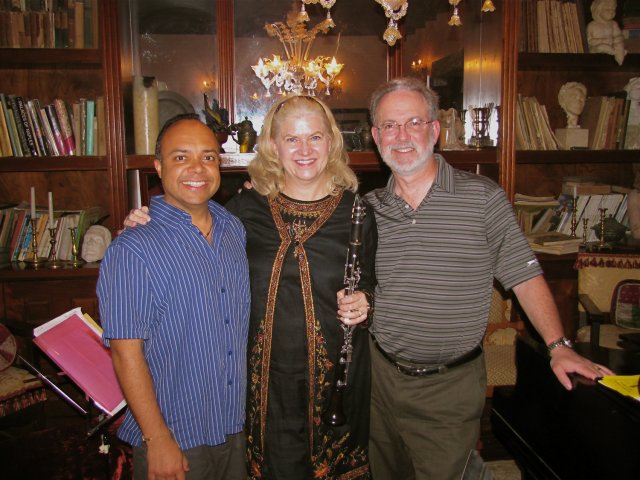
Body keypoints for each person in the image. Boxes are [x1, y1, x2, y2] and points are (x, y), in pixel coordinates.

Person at [364, 77, 614, 480]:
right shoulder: (369, 209)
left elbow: (524, 275)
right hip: (378, 379)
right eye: (390, 126)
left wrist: (559, 346)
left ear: (435, 130)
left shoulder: (482, 198)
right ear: (376, 136)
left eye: (413, 122)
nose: (402, 135)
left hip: (448, 385)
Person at [123, 96, 377, 479]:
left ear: (332, 143)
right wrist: (147, 220)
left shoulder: (358, 212)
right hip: (260, 391)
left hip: (334, 387)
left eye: (315, 137)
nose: (304, 150)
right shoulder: (244, 209)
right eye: (291, 139)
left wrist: (365, 302)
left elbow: (370, 282)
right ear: (274, 145)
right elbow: (193, 230)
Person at [98, 114, 251, 480]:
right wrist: (157, 439)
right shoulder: (133, 248)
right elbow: (125, 353)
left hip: (233, 427)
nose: (197, 168)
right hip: (176, 437)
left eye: (209, 157)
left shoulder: (233, 229)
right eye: (180, 157)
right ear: (158, 166)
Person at [587, 0, 626, 66]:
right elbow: (589, 41)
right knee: (602, 47)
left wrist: (616, 40)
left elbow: (619, 36)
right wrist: (603, 41)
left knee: (620, 46)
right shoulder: (592, 25)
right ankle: (615, 53)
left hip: (612, 46)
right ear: (598, 9)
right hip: (598, 49)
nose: (611, 12)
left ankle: (620, 60)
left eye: (613, 9)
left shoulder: (613, 24)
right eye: (607, 9)